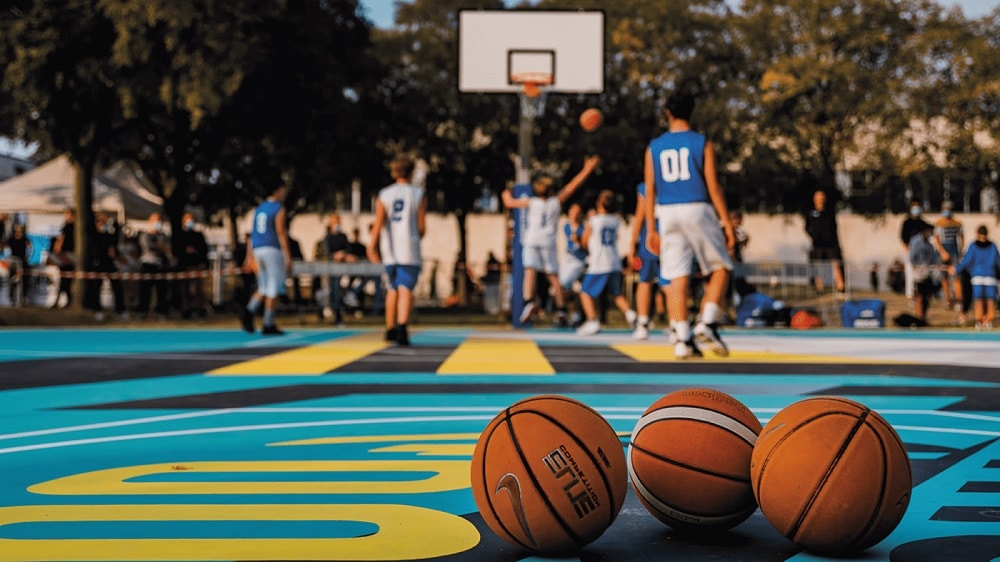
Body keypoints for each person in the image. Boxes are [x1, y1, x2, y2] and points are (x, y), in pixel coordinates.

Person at [644, 90, 734, 359]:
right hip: (697, 206)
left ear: (667, 112)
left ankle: (682, 339)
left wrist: (650, 228)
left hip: (667, 211)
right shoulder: (702, 142)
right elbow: (713, 186)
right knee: (721, 267)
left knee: (676, 276)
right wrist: (727, 222)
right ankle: (707, 322)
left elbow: (650, 190)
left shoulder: (654, 146)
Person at [501, 155, 600, 326]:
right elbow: (573, 186)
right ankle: (561, 309)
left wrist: (505, 193)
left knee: (530, 271)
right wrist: (587, 169)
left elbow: (509, 203)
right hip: (548, 241)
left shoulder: (531, 202)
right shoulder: (556, 202)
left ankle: (528, 301)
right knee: (553, 276)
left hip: (532, 239)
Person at [367, 154, 426, 346]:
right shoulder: (417, 194)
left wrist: (372, 246)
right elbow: (422, 227)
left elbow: (378, 223)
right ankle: (402, 328)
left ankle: (390, 327)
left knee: (392, 288)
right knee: (405, 287)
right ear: (411, 173)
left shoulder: (384, 194)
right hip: (409, 247)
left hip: (389, 248)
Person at [576, 190, 637, 335]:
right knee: (616, 294)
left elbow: (584, 241)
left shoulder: (593, 221)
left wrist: (579, 239)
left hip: (599, 262)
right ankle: (631, 314)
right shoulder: (616, 220)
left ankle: (592, 320)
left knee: (585, 292)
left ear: (599, 204)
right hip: (614, 261)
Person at [241, 183, 292, 336]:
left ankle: (249, 310)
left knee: (263, 286)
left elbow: (252, 234)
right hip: (272, 249)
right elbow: (280, 232)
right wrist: (288, 255)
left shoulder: (259, 208)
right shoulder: (278, 208)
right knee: (273, 287)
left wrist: (249, 256)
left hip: (258, 248)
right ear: (277, 190)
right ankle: (268, 322)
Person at [628, 182, 662, 339]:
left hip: (652, 234)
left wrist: (632, 243)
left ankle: (642, 323)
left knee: (645, 280)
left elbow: (640, 213)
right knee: (674, 281)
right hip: (672, 232)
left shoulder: (646, 186)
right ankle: (678, 323)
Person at [953, 224, 1000, 330]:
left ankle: (984, 320)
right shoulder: (990, 246)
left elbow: (966, 261)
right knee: (987, 299)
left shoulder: (976, 246)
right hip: (984, 276)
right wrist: (958, 269)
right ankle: (984, 320)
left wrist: (956, 269)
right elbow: (998, 262)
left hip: (984, 276)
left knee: (984, 299)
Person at [83, 212, 124, 320]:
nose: (104, 224)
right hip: (98, 263)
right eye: (102, 222)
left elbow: (117, 232)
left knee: (117, 286)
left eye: (105, 222)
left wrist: (112, 220)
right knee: (96, 287)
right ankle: (97, 310)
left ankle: (120, 310)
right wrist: (96, 216)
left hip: (109, 263)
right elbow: (87, 227)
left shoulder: (109, 236)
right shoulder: (93, 235)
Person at [804, 190, 845, 293]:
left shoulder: (830, 212)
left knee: (836, 263)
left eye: (822, 197)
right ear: (814, 199)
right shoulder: (811, 212)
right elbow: (807, 227)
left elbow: (834, 226)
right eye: (818, 197)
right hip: (817, 243)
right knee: (817, 264)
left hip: (831, 243)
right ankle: (819, 287)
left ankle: (841, 286)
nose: (820, 200)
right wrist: (813, 235)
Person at [558, 202, 588, 327]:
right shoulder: (566, 227)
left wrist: (580, 241)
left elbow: (586, 246)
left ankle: (576, 315)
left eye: (577, 212)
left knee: (565, 283)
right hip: (568, 260)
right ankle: (572, 314)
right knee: (566, 288)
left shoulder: (585, 227)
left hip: (579, 261)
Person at [137, 212, 173, 318]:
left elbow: (167, 248)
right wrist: (161, 247)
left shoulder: (164, 236)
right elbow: (148, 247)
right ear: (150, 222)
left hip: (161, 265)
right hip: (147, 264)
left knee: (162, 290)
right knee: (145, 290)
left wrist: (161, 247)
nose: (158, 223)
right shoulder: (145, 235)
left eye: (159, 220)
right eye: (155, 220)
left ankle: (162, 311)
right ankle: (143, 311)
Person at [175, 211, 210, 318]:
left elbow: (204, 250)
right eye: (188, 220)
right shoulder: (180, 236)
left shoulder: (198, 235)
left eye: (191, 220)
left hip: (197, 265)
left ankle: (200, 309)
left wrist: (203, 262)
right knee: (185, 290)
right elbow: (176, 251)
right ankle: (186, 309)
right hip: (185, 266)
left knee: (199, 289)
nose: (190, 222)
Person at [933, 200, 965, 312]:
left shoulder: (957, 223)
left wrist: (960, 250)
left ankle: (959, 300)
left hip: (954, 250)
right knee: (944, 277)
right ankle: (948, 300)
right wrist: (942, 252)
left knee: (956, 277)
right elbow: (936, 239)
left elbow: (961, 237)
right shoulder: (938, 223)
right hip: (943, 250)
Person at [908, 223, 942, 324]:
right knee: (919, 297)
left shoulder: (930, 245)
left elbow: (933, 259)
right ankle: (918, 318)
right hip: (918, 274)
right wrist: (917, 268)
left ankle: (923, 317)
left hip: (928, 274)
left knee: (927, 297)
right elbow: (912, 257)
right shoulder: (916, 242)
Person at [900, 200, 933, 300]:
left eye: (918, 207)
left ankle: (923, 293)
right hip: (911, 251)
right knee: (910, 274)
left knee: (922, 275)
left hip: (922, 254)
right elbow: (903, 237)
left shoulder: (922, 223)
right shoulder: (907, 222)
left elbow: (931, 230)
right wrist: (908, 249)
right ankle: (910, 294)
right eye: (914, 207)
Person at [49, 207, 76, 308]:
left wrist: (57, 250)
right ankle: (66, 300)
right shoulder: (73, 226)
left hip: (66, 255)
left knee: (65, 279)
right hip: (68, 255)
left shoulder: (69, 226)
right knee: (66, 279)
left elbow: (61, 239)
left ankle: (64, 300)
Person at [3, 223, 32, 306]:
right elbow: (5, 248)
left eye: (20, 231)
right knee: (11, 281)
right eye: (17, 230)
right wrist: (6, 257)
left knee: (21, 281)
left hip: (21, 263)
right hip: (13, 262)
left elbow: (30, 249)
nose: (19, 232)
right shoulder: (11, 239)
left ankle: (21, 298)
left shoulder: (25, 239)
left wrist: (27, 257)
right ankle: (12, 298)